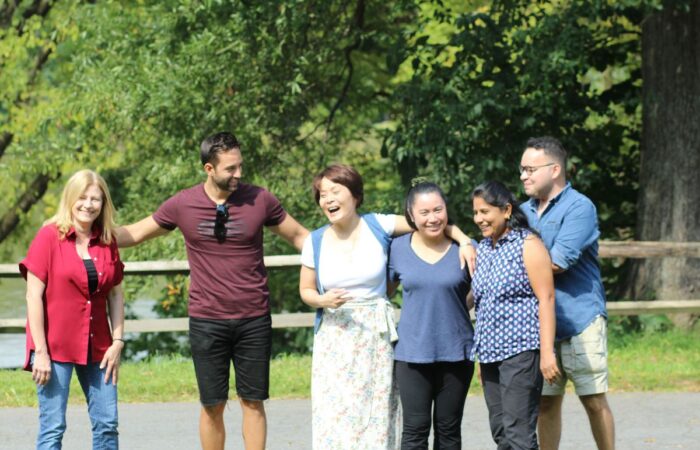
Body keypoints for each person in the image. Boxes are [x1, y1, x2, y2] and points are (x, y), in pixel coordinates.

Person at [114, 132, 308, 450]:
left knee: (253, 401)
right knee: (212, 404)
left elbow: (300, 236)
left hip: (254, 318)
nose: (239, 174)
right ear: (209, 168)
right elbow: (134, 233)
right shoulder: (183, 203)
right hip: (207, 320)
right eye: (230, 168)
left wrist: (343, 251)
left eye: (240, 166)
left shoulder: (261, 199)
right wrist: (83, 228)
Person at [298, 165, 475, 450]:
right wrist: (322, 300)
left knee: (376, 414)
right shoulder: (314, 240)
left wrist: (465, 240)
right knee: (334, 414)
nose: (327, 199)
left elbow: (427, 218)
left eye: (335, 191)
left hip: (375, 336)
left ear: (355, 195)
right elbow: (305, 289)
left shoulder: (378, 225)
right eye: (322, 194)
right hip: (335, 337)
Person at [519, 136, 615, 450]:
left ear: (555, 169)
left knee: (593, 399)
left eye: (531, 169)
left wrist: (513, 263)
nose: (524, 176)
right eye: (522, 169)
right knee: (546, 404)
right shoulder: (521, 212)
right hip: (541, 325)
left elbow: (558, 262)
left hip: (579, 319)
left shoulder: (580, 207)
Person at [20, 169, 125, 449]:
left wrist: (118, 341)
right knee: (53, 428)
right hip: (54, 348)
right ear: (70, 198)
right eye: (82, 197)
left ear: (104, 203)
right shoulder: (48, 237)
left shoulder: (107, 240)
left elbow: (115, 294)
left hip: (100, 347)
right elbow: (33, 297)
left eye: (96, 199)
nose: (88, 204)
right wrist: (39, 352)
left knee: (107, 424)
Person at [470, 180, 560, 450]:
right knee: (501, 432)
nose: (479, 219)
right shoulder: (484, 248)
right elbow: (480, 300)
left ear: (506, 210)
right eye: (475, 213)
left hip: (521, 352)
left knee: (518, 434)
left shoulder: (527, 244)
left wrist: (546, 353)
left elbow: (546, 298)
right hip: (489, 355)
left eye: (485, 212)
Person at [387, 181, 475, 450]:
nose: (433, 218)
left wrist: (464, 239)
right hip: (412, 355)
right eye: (424, 212)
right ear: (411, 216)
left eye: (438, 210)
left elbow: (478, 294)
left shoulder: (465, 249)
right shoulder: (397, 249)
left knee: (449, 432)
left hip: (457, 353)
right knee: (414, 431)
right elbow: (384, 293)